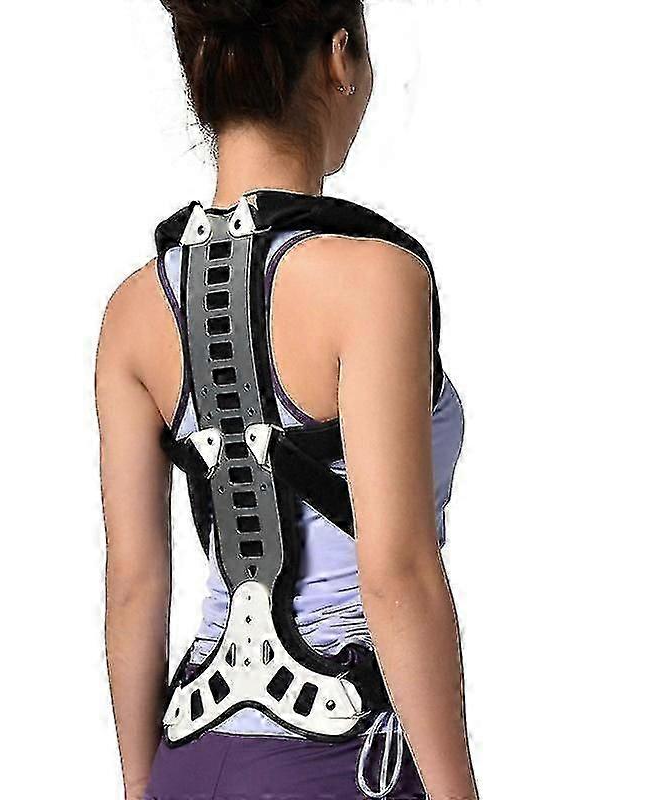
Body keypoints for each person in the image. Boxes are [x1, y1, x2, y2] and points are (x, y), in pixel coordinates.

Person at [95, 1, 478, 798]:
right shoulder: (376, 281)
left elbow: (135, 584)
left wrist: (143, 788)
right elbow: (397, 573)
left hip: (189, 761)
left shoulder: (132, 311)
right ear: (340, 57)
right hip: (340, 760)